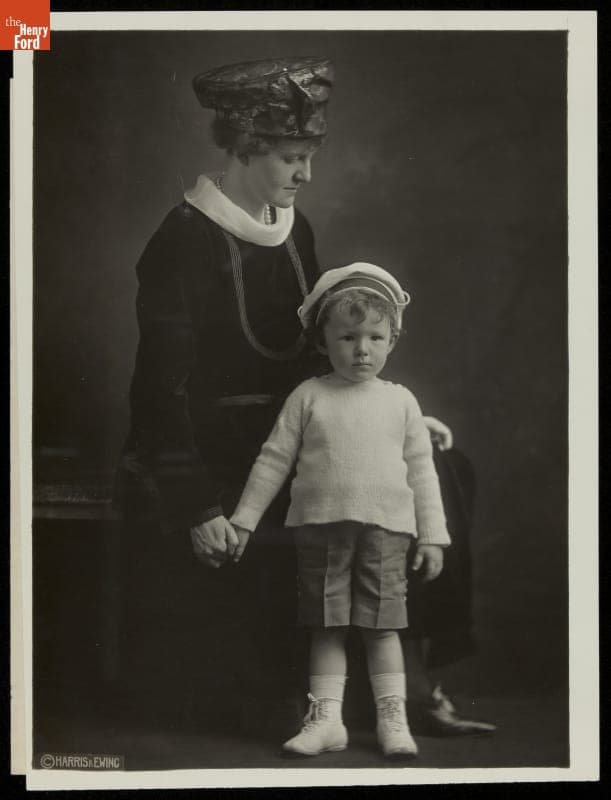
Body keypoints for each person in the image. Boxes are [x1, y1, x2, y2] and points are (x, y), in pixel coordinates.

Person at [114, 56, 491, 739]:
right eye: (291, 157)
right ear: (244, 148)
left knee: (440, 469)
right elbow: (157, 391)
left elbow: (325, 344)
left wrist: (385, 412)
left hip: (305, 420)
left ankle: (411, 676)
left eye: (308, 157)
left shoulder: (296, 229)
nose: (304, 175)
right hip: (222, 442)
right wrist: (197, 503)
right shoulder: (180, 242)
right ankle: (338, 694)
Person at [229, 263, 451, 758]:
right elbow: (273, 461)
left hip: (387, 531)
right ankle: (327, 718)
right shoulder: (309, 396)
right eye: (348, 337)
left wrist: (432, 535)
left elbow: (421, 472)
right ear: (322, 340)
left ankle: (391, 717)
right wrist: (244, 519)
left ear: (392, 339)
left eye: (375, 336)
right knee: (325, 625)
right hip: (319, 528)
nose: (362, 349)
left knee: (382, 625)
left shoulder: (401, 402)